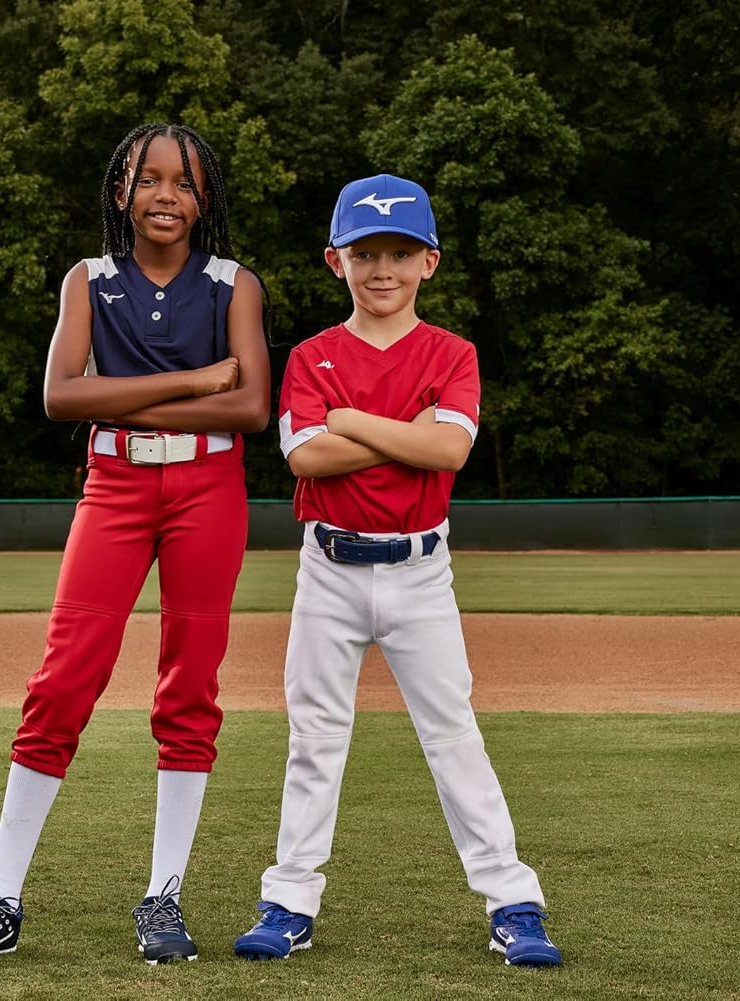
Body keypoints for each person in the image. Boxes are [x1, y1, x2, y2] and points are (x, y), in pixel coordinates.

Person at [0, 123, 270, 968]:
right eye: (146, 178)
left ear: (205, 199)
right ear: (120, 191)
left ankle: (164, 895)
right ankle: (1, 899)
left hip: (208, 488)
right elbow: (58, 395)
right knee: (63, 677)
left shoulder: (234, 284)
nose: (163, 194)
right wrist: (193, 379)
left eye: (183, 183)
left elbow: (252, 409)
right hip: (112, 487)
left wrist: (110, 399)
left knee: (189, 684)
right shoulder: (89, 278)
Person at [232, 173, 562, 967]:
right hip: (330, 568)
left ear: (430, 263)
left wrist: (351, 420)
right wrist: (396, 429)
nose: (383, 268)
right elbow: (305, 453)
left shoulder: (453, 352)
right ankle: (288, 899)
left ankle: (513, 900)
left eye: (401, 252)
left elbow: (448, 449)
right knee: (314, 736)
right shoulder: (312, 356)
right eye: (366, 252)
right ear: (334, 260)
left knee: (453, 733)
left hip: (420, 573)